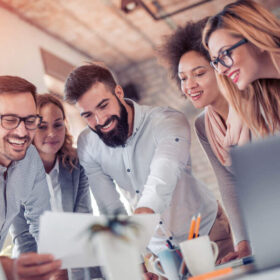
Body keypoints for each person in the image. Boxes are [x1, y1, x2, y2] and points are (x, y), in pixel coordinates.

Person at [64, 63, 234, 265]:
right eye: (88, 115)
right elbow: (110, 206)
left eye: (103, 106)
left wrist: (144, 212)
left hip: (207, 233)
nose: (100, 120)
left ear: (118, 92)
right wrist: (134, 259)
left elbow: (165, 169)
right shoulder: (87, 144)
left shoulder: (167, 120)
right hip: (158, 252)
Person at [158, 18, 251, 263]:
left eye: (199, 74)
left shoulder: (252, 103)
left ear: (220, 69)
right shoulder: (202, 125)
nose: (190, 86)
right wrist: (243, 242)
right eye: (183, 78)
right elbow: (229, 185)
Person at [10, 93, 99, 279]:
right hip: (33, 267)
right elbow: (23, 237)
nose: (52, 133)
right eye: (42, 127)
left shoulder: (76, 165)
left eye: (58, 124)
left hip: (77, 262)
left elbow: (83, 220)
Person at [0, 76, 61, 279]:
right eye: (9, 120)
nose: (22, 132)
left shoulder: (30, 158)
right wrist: (5, 268)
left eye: (30, 121)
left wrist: (54, 266)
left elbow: (42, 222)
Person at [203, 0, 280, 136]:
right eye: (216, 62)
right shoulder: (271, 97)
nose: (221, 70)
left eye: (225, 54)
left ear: (256, 37)